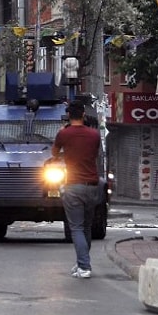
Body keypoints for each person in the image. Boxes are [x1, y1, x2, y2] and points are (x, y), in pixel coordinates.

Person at [51, 101, 102, 279]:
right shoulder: (95, 135)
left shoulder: (63, 134)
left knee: (77, 227)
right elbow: (94, 154)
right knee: (86, 226)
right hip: (93, 186)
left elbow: (54, 154)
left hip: (73, 185)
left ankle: (84, 266)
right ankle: (82, 262)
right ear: (83, 115)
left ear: (68, 116)